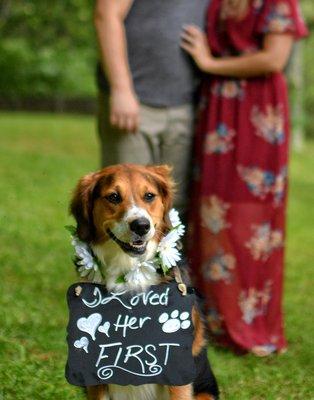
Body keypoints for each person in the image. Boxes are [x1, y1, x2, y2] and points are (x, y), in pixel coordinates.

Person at [181, 0, 308, 355]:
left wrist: (210, 63)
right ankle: (210, 319)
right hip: (217, 107)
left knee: (252, 218)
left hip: (257, 109)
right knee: (211, 212)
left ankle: (250, 321)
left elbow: (273, 59)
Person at [94, 0, 208, 214]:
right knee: (126, 204)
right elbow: (106, 15)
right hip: (134, 104)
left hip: (187, 104)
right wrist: (121, 89)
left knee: (174, 207)